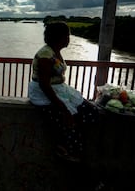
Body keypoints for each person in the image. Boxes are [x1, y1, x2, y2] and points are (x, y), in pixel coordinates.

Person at [28, 21, 99, 162]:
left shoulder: (54, 51)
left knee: (92, 113)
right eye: (66, 35)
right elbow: (44, 85)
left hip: (59, 89)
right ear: (57, 37)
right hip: (45, 94)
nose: (68, 39)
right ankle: (66, 150)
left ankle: (72, 140)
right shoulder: (45, 56)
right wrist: (64, 108)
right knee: (69, 125)